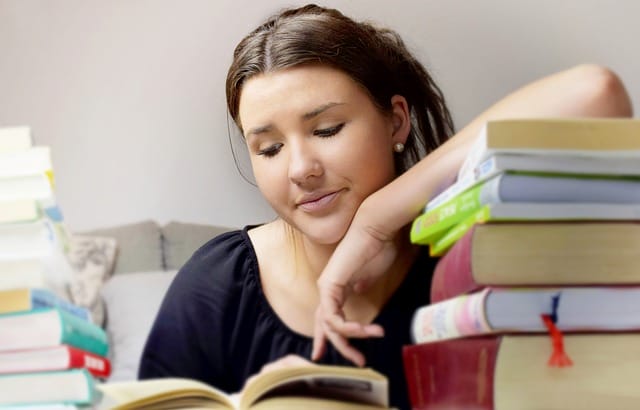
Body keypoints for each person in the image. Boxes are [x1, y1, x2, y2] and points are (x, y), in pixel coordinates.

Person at [138, 4, 633, 409]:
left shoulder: (472, 257)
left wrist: (377, 219)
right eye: (269, 148)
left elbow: (596, 93)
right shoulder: (217, 286)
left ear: (397, 122)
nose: (300, 168)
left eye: (327, 130)